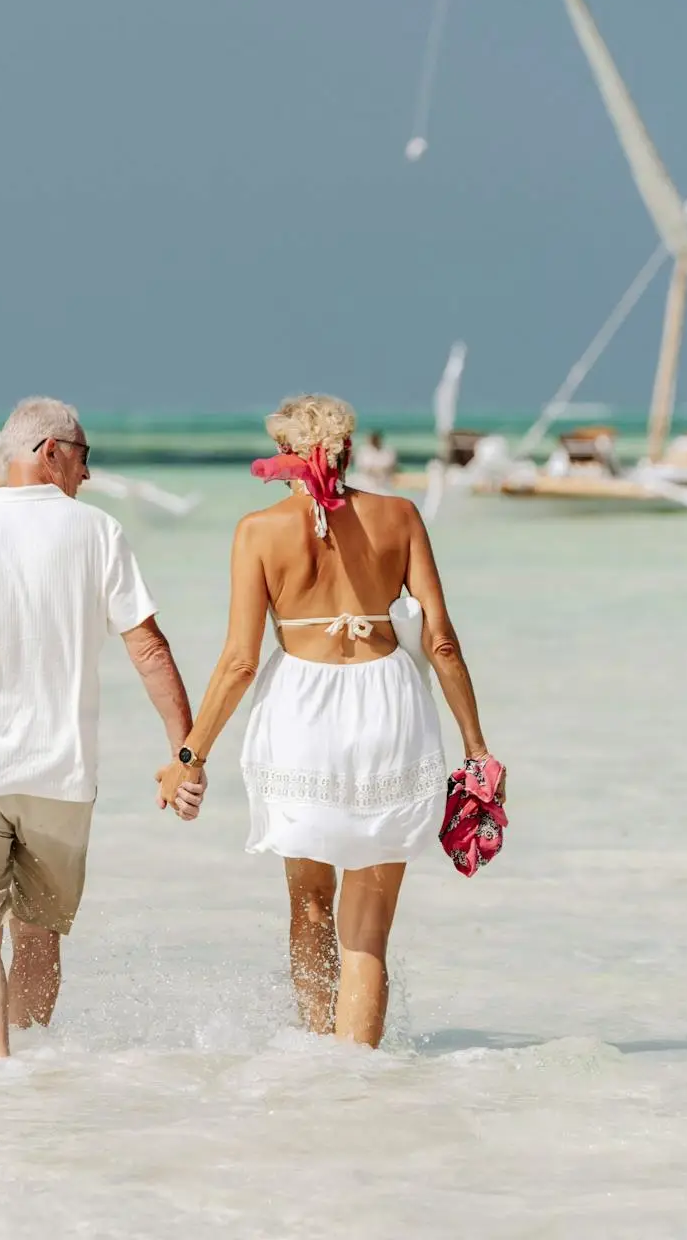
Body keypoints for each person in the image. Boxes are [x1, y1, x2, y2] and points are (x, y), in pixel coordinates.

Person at [156, 394, 500, 1048]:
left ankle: (317, 1066)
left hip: (300, 716)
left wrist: (188, 757)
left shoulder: (257, 532)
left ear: (286, 453)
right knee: (367, 934)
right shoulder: (400, 517)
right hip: (389, 711)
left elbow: (238, 663)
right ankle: (359, 1088)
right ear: (348, 446)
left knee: (310, 906)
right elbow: (442, 642)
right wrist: (477, 749)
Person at [0, 397, 205, 1062]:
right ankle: (31, 1070)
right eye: (84, 457)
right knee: (38, 937)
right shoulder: (98, 534)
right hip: (59, 781)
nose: (88, 475)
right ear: (50, 452)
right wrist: (186, 752)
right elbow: (149, 650)